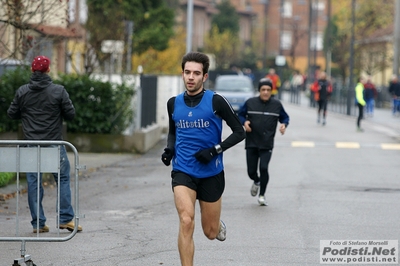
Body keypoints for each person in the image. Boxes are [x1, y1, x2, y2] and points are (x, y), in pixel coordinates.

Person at [161, 52, 245, 266]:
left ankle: (216, 225)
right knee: (186, 220)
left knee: (209, 232)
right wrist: (169, 150)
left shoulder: (216, 101)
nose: (191, 77)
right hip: (183, 170)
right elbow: (173, 131)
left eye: (196, 73)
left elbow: (239, 131)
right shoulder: (173, 103)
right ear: (182, 74)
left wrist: (214, 150)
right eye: (187, 72)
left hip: (211, 172)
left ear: (204, 76)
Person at [7, 55, 82, 233]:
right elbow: (71, 114)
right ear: (48, 70)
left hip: (31, 144)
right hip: (54, 143)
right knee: (62, 179)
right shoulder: (59, 91)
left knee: (33, 182)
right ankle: (65, 219)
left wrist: (27, 114)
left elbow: (12, 113)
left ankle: (38, 223)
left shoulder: (22, 91)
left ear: (32, 70)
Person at [237, 78, 289, 206]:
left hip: (267, 142)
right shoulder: (250, 103)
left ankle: (262, 195)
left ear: (271, 91)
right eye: (263, 90)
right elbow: (240, 114)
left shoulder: (276, 105)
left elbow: (285, 117)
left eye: (268, 90)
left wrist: (284, 125)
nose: (266, 92)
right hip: (252, 142)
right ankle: (257, 181)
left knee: (264, 168)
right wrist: (244, 122)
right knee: (251, 172)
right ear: (259, 91)